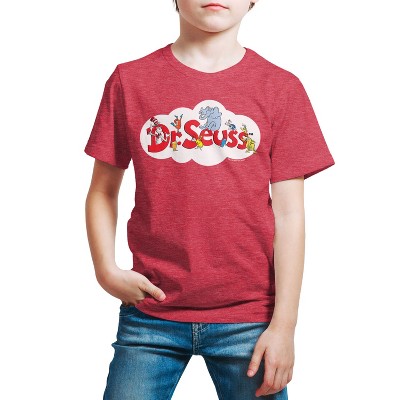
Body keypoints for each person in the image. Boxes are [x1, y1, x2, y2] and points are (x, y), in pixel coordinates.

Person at [84, 1, 335, 398]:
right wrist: (106, 271)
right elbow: (102, 190)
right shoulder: (130, 81)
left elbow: (290, 215)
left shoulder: (280, 88)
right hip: (151, 312)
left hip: (250, 318)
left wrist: (284, 326)